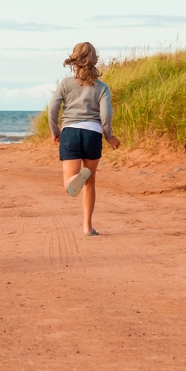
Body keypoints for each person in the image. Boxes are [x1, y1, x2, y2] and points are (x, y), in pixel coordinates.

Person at [48, 42, 120, 235]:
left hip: (70, 132)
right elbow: (106, 115)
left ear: (74, 59)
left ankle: (72, 180)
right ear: (95, 60)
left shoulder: (65, 84)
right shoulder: (102, 88)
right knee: (90, 182)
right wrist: (109, 136)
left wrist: (55, 130)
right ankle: (87, 227)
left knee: (69, 182)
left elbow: (53, 110)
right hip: (92, 134)